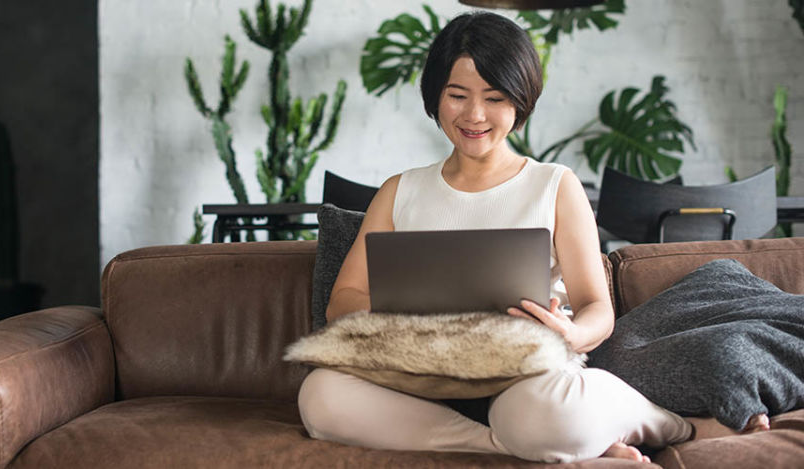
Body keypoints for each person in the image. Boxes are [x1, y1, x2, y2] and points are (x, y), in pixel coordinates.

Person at [297, 11, 767, 463]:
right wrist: (413, 314)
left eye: (496, 98)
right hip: (418, 374)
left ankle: (672, 425)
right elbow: (344, 301)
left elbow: (596, 308)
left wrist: (571, 333)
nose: (475, 115)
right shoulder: (400, 191)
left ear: (521, 100)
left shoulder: (554, 185)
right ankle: (517, 447)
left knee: (549, 414)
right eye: (457, 95)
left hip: (525, 379)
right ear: (434, 96)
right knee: (321, 395)